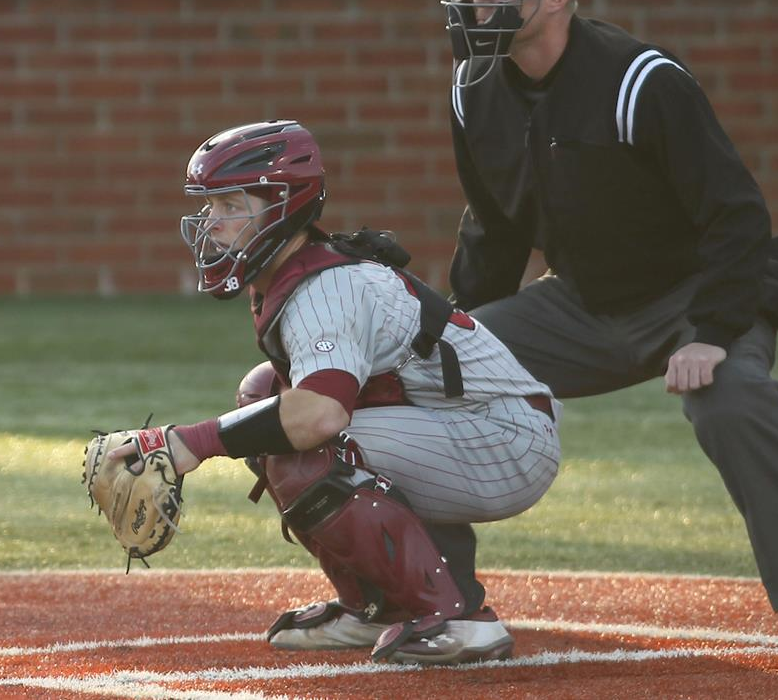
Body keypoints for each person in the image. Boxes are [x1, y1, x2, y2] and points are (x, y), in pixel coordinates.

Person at [438, 0, 778, 642]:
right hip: (581, 302)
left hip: (699, 291)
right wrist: (455, 327)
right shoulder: (472, 86)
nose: (475, 4)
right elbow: (496, 225)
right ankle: (433, 593)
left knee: (730, 396)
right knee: (432, 370)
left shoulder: (641, 79)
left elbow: (738, 217)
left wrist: (712, 333)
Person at [113, 120, 559, 666]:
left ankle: (458, 619)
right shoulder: (305, 273)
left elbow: (320, 416)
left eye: (232, 205)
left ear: (281, 204)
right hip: (468, 424)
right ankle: (376, 605)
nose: (213, 223)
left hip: (504, 436)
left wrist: (189, 443)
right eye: (212, 206)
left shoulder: (326, 286)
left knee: (306, 443)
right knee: (265, 396)